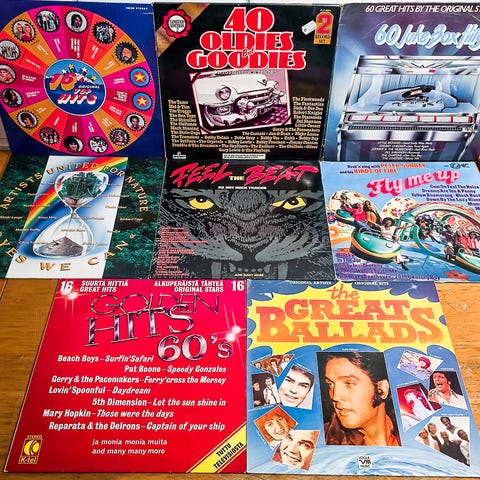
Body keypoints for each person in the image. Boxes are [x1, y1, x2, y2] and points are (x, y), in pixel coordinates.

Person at [320, 351, 400, 446]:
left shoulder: (408, 427)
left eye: (349, 383)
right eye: (330, 384)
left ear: (381, 389)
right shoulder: (322, 439)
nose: (335, 396)